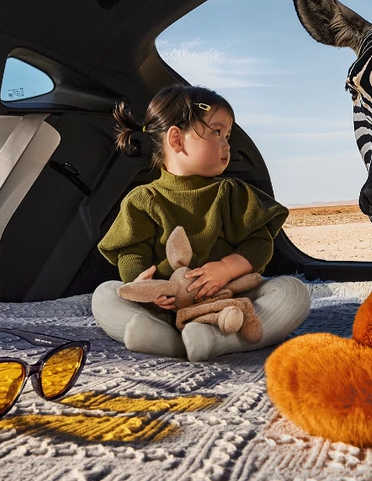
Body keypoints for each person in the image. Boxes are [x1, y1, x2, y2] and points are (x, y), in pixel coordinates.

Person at [93, 85, 312, 362]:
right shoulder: (144, 199)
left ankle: (211, 339)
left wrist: (226, 269)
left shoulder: (232, 193)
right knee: (104, 295)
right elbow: (131, 253)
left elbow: (259, 242)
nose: (227, 144)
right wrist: (144, 287)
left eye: (227, 135)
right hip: (165, 307)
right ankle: (167, 338)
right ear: (176, 139)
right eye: (216, 132)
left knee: (293, 291)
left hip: (229, 301)